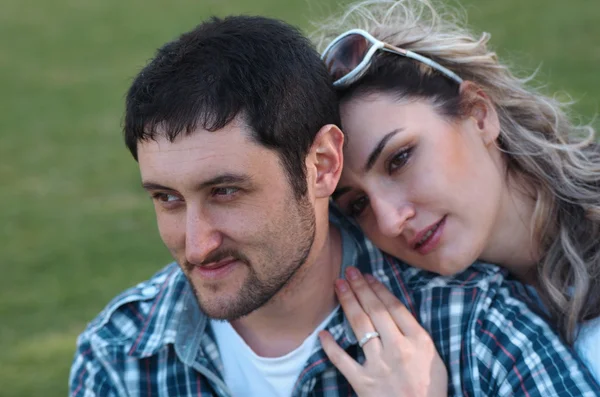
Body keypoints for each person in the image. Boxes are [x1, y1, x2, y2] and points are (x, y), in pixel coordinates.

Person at [69, 14, 600, 397]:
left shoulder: (477, 325)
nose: (196, 242)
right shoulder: (120, 354)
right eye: (166, 198)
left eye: (401, 158)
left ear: (479, 114)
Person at [316, 0, 600, 383]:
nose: (389, 220)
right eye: (358, 204)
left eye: (399, 159)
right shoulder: (445, 322)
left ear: (479, 114)